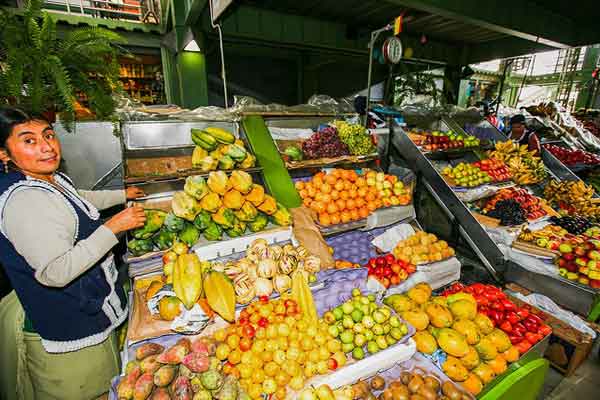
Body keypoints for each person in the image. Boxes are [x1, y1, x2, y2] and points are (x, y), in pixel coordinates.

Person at [0, 106, 146, 400]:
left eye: (49, 135)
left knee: (109, 383)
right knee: (90, 390)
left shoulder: (48, 179)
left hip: (86, 306)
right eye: (28, 141)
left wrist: (122, 195)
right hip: (66, 323)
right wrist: (114, 227)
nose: (46, 147)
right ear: (3, 153)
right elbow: (55, 272)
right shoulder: (24, 201)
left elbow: (77, 198)